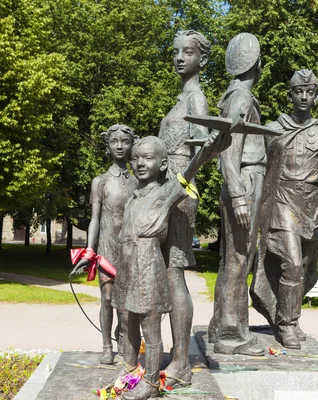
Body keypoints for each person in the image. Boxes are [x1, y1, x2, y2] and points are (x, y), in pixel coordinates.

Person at [113, 133, 230, 400]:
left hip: (147, 265)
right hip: (127, 265)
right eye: (136, 158)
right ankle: (130, 370)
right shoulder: (134, 196)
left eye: (148, 158)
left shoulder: (164, 192)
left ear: (163, 164)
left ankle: (152, 383)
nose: (140, 163)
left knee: (149, 326)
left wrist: (204, 152)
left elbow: (186, 175)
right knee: (126, 319)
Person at [250, 69, 318, 349]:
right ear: (290, 95)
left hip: (311, 205)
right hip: (282, 201)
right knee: (291, 263)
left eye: (309, 92)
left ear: (315, 95)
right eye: (298, 92)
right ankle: (287, 325)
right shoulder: (275, 130)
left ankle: (289, 316)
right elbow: (260, 166)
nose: (303, 97)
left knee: (304, 271)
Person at [157, 29, 211, 386]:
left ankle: (181, 362)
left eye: (187, 52)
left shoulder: (196, 98)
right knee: (164, 271)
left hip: (179, 192)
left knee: (174, 272)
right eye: (176, 51)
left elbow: (206, 147)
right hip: (167, 188)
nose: (179, 57)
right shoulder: (181, 97)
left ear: (201, 60)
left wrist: (179, 185)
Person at [208, 33, 266, 356]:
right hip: (244, 180)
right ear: (256, 64)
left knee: (230, 258)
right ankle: (232, 333)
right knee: (239, 258)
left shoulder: (235, 97)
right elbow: (229, 152)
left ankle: (220, 326)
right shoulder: (241, 98)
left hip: (240, 182)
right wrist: (239, 195)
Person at [71, 124, 138, 364]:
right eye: (114, 142)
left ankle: (125, 341)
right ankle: (106, 345)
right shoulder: (100, 182)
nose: (120, 146)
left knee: (129, 301)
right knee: (107, 299)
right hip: (108, 248)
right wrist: (90, 249)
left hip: (131, 249)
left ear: (133, 145)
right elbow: (95, 219)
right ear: (107, 146)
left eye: (125, 141)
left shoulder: (139, 181)